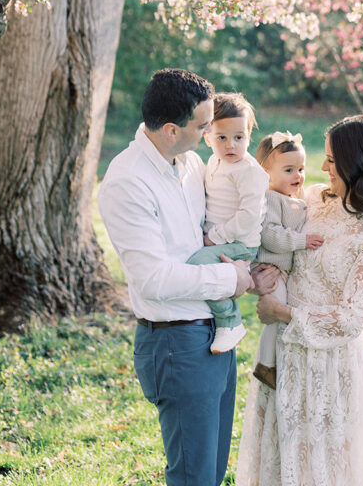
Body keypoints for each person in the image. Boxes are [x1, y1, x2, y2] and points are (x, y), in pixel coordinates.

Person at [236, 113, 363, 486]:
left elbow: (352, 318)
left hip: (334, 364)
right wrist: (263, 277)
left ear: (356, 162)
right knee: (284, 456)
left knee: (327, 463)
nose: (321, 167)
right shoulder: (314, 198)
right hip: (286, 352)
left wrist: (281, 312)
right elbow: (276, 245)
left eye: (331, 160)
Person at [97, 68, 255, 486]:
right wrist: (229, 280)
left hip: (216, 333)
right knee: (193, 477)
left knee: (212, 469)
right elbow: (154, 279)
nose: (210, 133)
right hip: (176, 343)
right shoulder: (127, 181)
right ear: (170, 129)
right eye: (203, 126)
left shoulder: (189, 164)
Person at [186, 92, 269, 353]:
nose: (231, 145)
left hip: (240, 243)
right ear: (207, 136)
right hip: (223, 238)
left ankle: (230, 321)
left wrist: (214, 237)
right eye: (222, 138)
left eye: (239, 137)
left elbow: (249, 216)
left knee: (198, 265)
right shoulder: (213, 161)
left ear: (248, 136)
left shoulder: (249, 171)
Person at [251, 130, 324, 389]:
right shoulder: (270, 198)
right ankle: (265, 365)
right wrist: (301, 241)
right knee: (274, 315)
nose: (298, 176)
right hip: (271, 269)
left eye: (301, 169)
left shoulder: (291, 198)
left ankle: (270, 362)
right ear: (266, 174)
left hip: (281, 269)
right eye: (289, 170)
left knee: (278, 316)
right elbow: (270, 235)